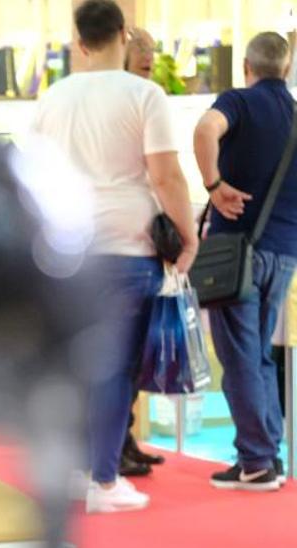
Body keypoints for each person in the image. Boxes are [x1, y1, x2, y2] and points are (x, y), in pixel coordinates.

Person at [32, 0, 197, 512]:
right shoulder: (144, 94)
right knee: (115, 370)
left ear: (79, 42)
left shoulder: (53, 98)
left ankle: (72, 472)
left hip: (67, 250)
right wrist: (188, 236)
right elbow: (166, 174)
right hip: (128, 247)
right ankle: (104, 481)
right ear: (124, 35)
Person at [193, 31, 297, 492]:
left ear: (247, 68)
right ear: (287, 69)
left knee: (238, 355)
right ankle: (266, 455)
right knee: (260, 356)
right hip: (284, 251)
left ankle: (255, 460)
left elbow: (204, 130)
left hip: (238, 250)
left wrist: (214, 185)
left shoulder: (237, 101)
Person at [117, 24, 167, 478]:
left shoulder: (150, 99)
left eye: (152, 50)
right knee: (121, 358)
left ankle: (126, 440)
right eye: (140, 49)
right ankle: (116, 445)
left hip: (143, 241)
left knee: (135, 359)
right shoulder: (130, 101)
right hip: (123, 243)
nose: (148, 56)